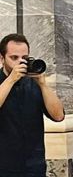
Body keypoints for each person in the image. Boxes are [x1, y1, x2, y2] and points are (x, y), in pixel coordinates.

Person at [0, 33, 65, 177]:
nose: (20, 63)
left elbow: (59, 116)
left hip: (34, 165)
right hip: (4, 165)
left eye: (24, 58)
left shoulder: (34, 83)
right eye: (14, 58)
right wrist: (11, 80)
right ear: (1, 58)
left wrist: (43, 84)